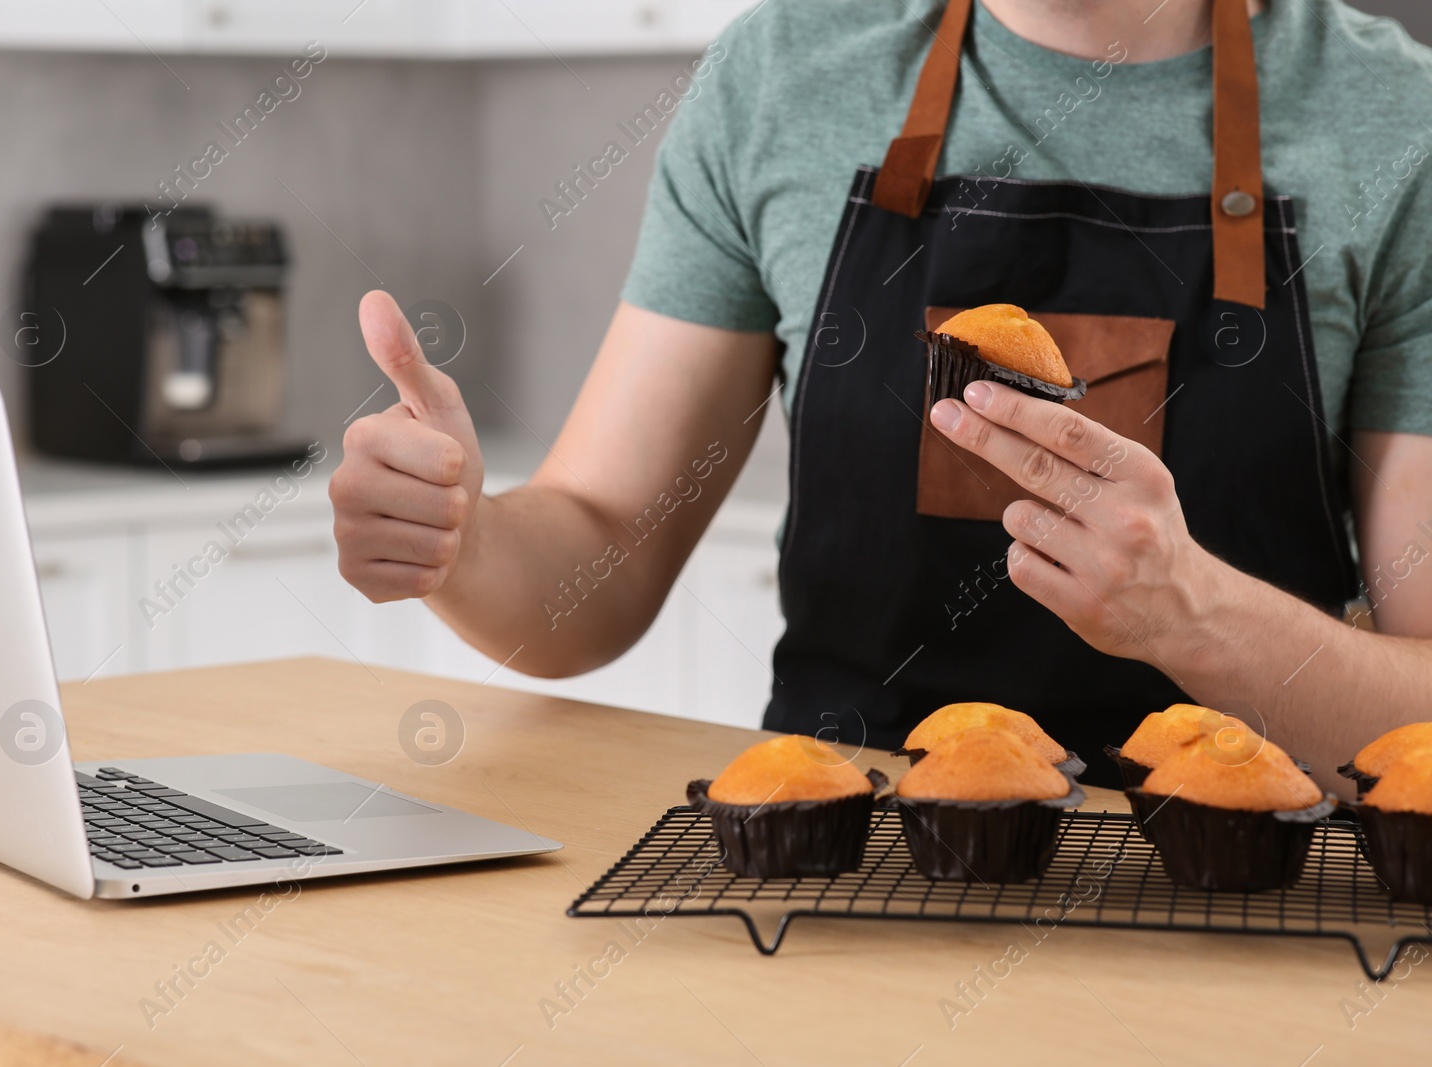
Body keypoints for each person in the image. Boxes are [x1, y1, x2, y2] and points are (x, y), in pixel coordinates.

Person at [329, 0, 1432, 790]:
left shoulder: (1394, 120)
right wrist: (463, 544)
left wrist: (1199, 617)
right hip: (846, 866)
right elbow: (596, 551)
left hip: (1248, 890)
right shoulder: (780, 73)